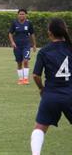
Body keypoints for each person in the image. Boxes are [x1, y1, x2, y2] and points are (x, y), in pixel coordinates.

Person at [30, 18, 72, 155]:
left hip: (50, 95)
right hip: (69, 94)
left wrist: (41, 89)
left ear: (50, 33)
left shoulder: (44, 51)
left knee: (40, 128)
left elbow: (36, 75)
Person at [8, 9, 36, 85]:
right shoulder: (14, 23)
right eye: (20, 14)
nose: (21, 15)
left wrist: (34, 45)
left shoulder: (29, 23)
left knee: (26, 60)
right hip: (17, 46)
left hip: (26, 45)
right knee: (19, 62)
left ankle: (26, 79)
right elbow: (10, 33)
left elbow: (32, 34)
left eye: (23, 14)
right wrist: (12, 42)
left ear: (26, 15)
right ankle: (20, 79)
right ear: (18, 15)